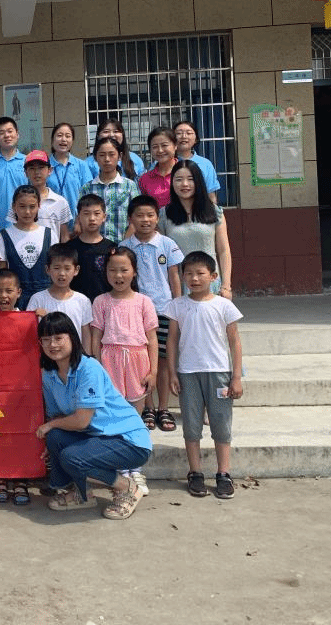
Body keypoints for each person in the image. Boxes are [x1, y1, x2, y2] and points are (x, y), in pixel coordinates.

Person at [35, 312, 153, 520]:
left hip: (128, 440)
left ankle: (126, 488)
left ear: (72, 338)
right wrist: (50, 434)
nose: (52, 345)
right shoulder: (49, 374)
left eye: (58, 338)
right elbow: (56, 416)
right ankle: (82, 494)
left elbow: (81, 421)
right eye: (46, 340)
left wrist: (50, 425)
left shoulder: (89, 368)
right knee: (55, 437)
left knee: (71, 457)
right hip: (97, 437)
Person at [163, 251, 243, 500]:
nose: (194, 278)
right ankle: (195, 472)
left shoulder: (224, 305)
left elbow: (235, 342)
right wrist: (172, 373)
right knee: (191, 424)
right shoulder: (177, 305)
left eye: (200, 273)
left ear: (213, 276)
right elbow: (171, 341)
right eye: (189, 274)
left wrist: (236, 377)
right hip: (188, 373)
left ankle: (223, 473)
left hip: (219, 373)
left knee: (221, 423)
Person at [89, 247, 158, 495]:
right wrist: (98, 368)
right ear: (106, 273)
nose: (118, 275)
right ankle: (120, 470)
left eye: (124, 270)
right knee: (114, 417)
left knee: (134, 419)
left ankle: (136, 470)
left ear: (134, 272)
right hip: (110, 361)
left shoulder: (144, 302)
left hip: (138, 360)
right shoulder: (101, 301)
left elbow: (152, 338)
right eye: (112, 270)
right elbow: (96, 337)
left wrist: (154, 371)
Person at [119, 195, 183, 433]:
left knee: (163, 361)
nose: (145, 220)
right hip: (135, 310)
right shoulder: (125, 247)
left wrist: (177, 307)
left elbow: (174, 276)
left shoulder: (167, 244)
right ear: (130, 219)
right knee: (142, 361)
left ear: (157, 218)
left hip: (164, 309)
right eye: (139, 215)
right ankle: (148, 406)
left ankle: (163, 408)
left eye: (150, 215)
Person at [0, 267, 32, 506]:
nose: (3, 296)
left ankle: (21, 478)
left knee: (20, 433)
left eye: (8, 291)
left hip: (20, 389)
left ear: (19, 292)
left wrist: (39, 318)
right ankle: (0, 477)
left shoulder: (28, 320)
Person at [158, 160, 233, 298]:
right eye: (179, 179)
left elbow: (224, 251)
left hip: (210, 284)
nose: (184, 184)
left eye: (190, 179)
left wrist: (226, 286)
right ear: (172, 183)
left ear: (198, 182)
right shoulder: (164, 215)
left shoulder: (214, 212)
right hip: (179, 286)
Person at [26, 244, 92, 349]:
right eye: (56, 268)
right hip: (48, 355)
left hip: (75, 357)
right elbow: (30, 333)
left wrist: (87, 356)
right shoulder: (37, 299)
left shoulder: (82, 300)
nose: (62, 273)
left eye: (67, 268)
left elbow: (86, 334)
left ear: (76, 270)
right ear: (48, 269)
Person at [0, 185, 51, 311]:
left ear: (39, 206)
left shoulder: (49, 234)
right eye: (22, 206)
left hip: (45, 298)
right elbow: (2, 273)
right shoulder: (3, 236)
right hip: (16, 301)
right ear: (14, 207)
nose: (27, 212)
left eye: (32, 207)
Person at [78, 137, 141, 243]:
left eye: (111, 154)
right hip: (94, 245)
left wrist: (125, 243)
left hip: (123, 245)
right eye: (102, 155)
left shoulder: (129, 186)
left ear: (120, 156)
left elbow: (137, 215)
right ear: (95, 157)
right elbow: (81, 218)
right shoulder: (87, 188)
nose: (107, 159)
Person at [7, 150, 72, 243]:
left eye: (41, 168)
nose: (37, 172)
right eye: (32, 168)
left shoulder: (60, 202)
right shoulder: (18, 201)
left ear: (50, 170)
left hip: (51, 251)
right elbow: (13, 231)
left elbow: (64, 236)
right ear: (25, 172)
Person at [62, 194, 116, 303]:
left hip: (104, 304)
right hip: (75, 304)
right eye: (86, 214)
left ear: (104, 217)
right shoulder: (69, 248)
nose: (92, 218)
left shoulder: (111, 248)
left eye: (97, 214)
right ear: (79, 217)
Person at [47, 122, 93, 231]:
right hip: (50, 223)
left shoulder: (81, 165)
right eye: (59, 135)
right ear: (52, 140)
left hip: (77, 225)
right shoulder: (45, 165)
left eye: (68, 136)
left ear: (72, 141)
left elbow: (88, 196)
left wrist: (80, 220)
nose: (63, 139)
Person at [174, 120, 221, 203]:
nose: (184, 136)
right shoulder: (163, 163)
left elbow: (210, 194)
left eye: (189, 133)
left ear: (196, 139)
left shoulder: (205, 164)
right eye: (178, 133)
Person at [138, 127, 179, 208]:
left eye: (164, 145)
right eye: (155, 147)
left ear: (175, 146)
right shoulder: (145, 179)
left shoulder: (187, 173)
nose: (160, 150)